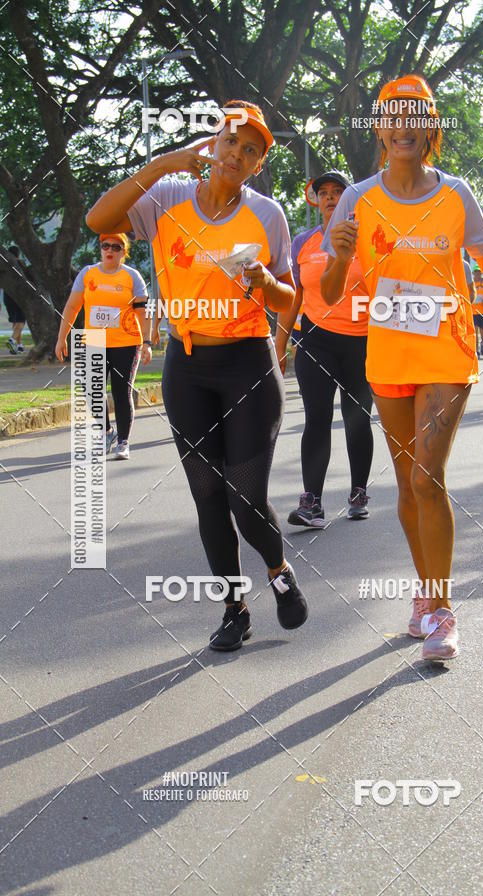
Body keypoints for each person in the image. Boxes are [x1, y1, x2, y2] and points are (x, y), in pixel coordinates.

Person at [86, 99, 308, 651]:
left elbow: (290, 302)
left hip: (247, 365)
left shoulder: (269, 216)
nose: (238, 154)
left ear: (258, 164)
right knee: (208, 497)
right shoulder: (166, 198)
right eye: (232, 141)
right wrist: (162, 164)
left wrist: (262, 281)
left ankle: (279, 572)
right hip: (186, 368)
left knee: (245, 497)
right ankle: (234, 608)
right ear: (214, 143)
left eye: (251, 149)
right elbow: (98, 220)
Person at [321, 74, 483, 661]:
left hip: (445, 351)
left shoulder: (457, 194)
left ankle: (442, 608)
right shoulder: (357, 198)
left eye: (415, 116)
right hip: (389, 353)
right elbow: (330, 292)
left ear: (430, 128)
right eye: (392, 115)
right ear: (380, 128)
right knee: (407, 483)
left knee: (429, 476)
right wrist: (343, 253)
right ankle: (425, 596)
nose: (403, 126)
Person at [275, 171, 373, 527]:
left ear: (351, 199)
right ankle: (312, 502)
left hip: (362, 342)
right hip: (315, 339)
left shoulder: (368, 240)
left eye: (338, 191)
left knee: (356, 420)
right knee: (317, 418)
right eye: (324, 192)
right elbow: (292, 298)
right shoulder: (303, 243)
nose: (330, 197)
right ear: (314, 199)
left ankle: (358, 492)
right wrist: (280, 343)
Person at [55, 233, 152, 459]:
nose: (109, 250)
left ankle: (123, 442)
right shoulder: (88, 274)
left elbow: (143, 313)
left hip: (125, 343)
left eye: (116, 247)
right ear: (100, 249)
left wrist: (146, 342)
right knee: (92, 390)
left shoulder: (132, 277)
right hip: (94, 342)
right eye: (105, 245)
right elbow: (72, 307)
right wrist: (62, 338)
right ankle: (107, 432)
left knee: (121, 392)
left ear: (123, 252)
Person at [3, 246, 27, 354]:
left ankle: (19, 345)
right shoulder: (20, 264)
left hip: (7, 297)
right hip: (19, 296)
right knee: (21, 321)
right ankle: (12, 340)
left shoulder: (4, 266)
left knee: (15, 321)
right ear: (18, 254)